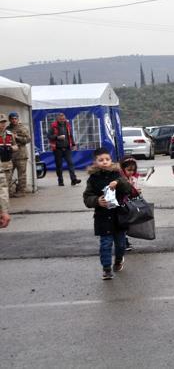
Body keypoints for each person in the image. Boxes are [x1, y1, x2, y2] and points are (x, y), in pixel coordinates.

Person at [83, 148, 131, 280]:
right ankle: (106, 269)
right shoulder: (93, 179)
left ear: (111, 160)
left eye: (107, 159)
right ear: (95, 162)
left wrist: (118, 183)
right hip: (102, 217)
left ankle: (119, 260)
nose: (104, 162)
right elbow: (87, 198)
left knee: (121, 244)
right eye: (101, 160)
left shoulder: (117, 174)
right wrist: (97, 201)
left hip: (119, 216)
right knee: (105, 244)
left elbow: (128, 189)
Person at [47, 112, 81, 186]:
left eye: (63, 119)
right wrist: (57, 137)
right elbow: (49, 136)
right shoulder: (53, 126)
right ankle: (60, 180)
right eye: (60, 119)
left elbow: (70, 136)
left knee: (70, 163)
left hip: (67, 148)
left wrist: (74, 144)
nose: (62, 120)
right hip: (57, 149)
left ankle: (73, 179)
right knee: (59, 166)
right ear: (57, 119)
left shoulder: (67, 125)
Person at [119, 157, 141, 252]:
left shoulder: (134, 178)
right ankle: (124, 242)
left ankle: (124, 241)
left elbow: (136, 190)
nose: (131, 172)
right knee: (123, 224)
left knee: (127, 224)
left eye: (133, 170)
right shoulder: (120, 179)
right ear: (123, 169)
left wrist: (137, 191)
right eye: (129, 170)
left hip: (130, 204)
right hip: (122, 204)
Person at [8, 112, 31, 197]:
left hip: (21, 155)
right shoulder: (7, 129)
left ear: (18, 119)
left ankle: (21, 191)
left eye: (15, 118)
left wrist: (17, 137)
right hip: (10, 155)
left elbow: (28, 139)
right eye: (12, 119)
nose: (14, 120)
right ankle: (8, 192)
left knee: (21, 175)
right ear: (9, 119)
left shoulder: (22, 128)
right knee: (8, 174)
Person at [0, 114, 17, 195]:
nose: (3, 124)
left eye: (4, 122)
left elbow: (16, 146)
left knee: (7, 184)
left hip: (7, 164)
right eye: (1, 122)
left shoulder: (10, 134)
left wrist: (11, 148)